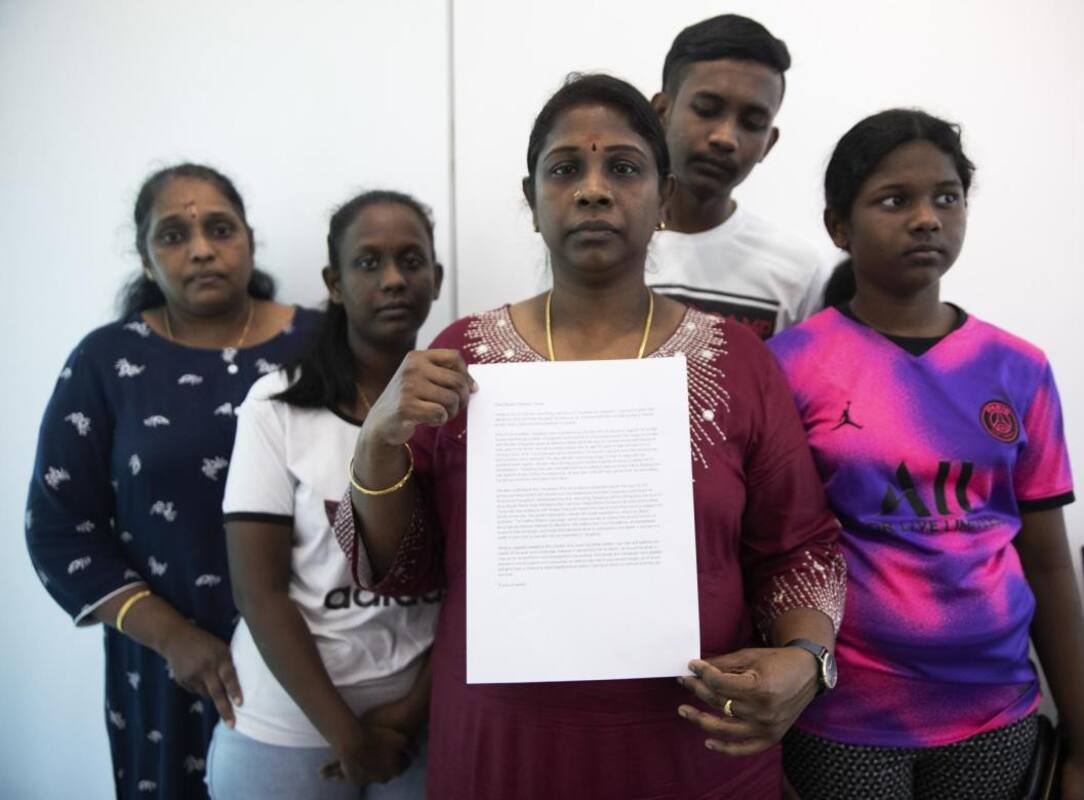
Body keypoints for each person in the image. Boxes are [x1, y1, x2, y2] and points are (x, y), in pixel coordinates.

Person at [333, 74, 846, 798]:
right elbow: (408, 568)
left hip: (698, 747)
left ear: (664, 199)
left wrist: (805, 658)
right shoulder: (464, 358)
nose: (594, 190)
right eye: (566, 168)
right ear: (532, 198)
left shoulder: (738, 361)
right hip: (503, 751)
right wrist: (377, 442)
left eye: (625, 168)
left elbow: (799, 545)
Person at [767, 110, 1084, 799]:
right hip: (846, 712)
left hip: (995, 711)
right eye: (895, 200)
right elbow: (776, 552)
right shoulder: (791, 366)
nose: (927, 219)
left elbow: (1044, 558)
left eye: (946, 197)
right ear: (839, 227)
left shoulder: (1017, 368)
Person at [25, 163, 321, 798]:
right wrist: (173, 638)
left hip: (317, 664)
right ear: (145, 256)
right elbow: (58, 532)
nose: (202, 250)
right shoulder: (106, 362)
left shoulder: (320, 345)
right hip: (168, 672)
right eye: (173, 236)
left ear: (248, 237)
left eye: (220, 228)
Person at [207, 190, 443, 799]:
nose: (393, 279)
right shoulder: (276, 406)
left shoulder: (460, 406)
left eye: (411, 261)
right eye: (368, 263)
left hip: (417, 722)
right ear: (334, 282)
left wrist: (412, 712)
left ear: (437, 278)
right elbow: (258, 592)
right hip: (288, 726)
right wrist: (348, 736)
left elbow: (475, 588)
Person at [646, 14, 825, 339]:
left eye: (752, 123)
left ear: (768, 144)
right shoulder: (602, 247)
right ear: (661, 113)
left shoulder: (799, 272)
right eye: (707, 109)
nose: (726, 137)